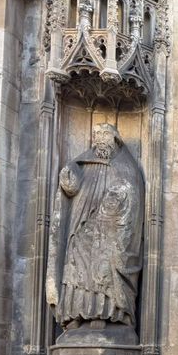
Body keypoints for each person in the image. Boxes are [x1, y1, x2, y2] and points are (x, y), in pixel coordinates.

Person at [47, 123, 144, 342]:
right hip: (82, 228)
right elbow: (72, 191)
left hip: (111, 230)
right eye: (97, 134)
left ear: (115, 138)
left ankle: (110, 313)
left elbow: (131, 195)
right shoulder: (84, 164)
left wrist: (112, 207)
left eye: (105, 134)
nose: (100, 138)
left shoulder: (125, 166)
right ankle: (76, 314)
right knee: (75, 263)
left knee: (106, 265)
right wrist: (68, 181)